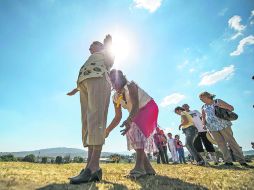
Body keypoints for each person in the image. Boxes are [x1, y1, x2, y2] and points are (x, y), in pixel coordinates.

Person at [67, 35, 114, 184]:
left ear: (100, 46)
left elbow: (110, 62)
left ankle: (94, 167)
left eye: (93, 44)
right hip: (84, 86)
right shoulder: (92, 57)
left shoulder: (104, 53)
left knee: (96, 119)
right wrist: (76, 89)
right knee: (87, 122)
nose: (89, 47)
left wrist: (108, 46)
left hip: (99, 79)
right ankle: (89, 165)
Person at [105, 69, 158, 178]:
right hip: (135, 113)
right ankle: (148, 168)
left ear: (122, 78)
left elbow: (135, 106)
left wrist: (129, 120)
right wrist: (107, 131)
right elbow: (117, 116)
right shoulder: (115, 97)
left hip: (149, 107)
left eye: (116, 80)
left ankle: (139, 168)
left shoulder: (131, 85)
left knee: (134, 130)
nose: (114, 83)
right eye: (111, 81)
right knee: (132, 134)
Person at [199, 91, 250, 167]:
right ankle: (228, 161)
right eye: (200, 99)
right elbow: (203, 117)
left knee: (231, 142)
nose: (201, 100)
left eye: (201, 98)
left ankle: (242, 161)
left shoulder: (218, 101)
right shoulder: (203, 107)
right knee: (221, 144)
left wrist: (222, 106)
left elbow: (231, 108)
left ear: (207, 96)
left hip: (224, 125)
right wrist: (203, 124)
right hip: (212, 128)